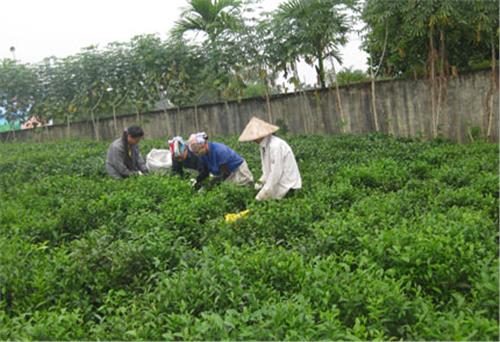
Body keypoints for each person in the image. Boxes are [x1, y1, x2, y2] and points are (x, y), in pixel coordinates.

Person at [238, 117, 301, 201]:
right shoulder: (264, 146)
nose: (253, 140)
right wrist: (259, 184)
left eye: (254, 137)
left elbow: (275, 173)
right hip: (278, 184)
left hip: (288, 186)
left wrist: (262, 194)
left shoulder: (275, 146)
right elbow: (267, 170)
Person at [187, 132, 254, 186]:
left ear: (204, 145)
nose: (197, 154)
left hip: (238, 172)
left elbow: (226, 173)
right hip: (226, 175)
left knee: (241, 191)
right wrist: (197, 181)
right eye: (195, 153)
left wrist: (212, 182)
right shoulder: (203, 154)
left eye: (198, 151)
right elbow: (205, 171)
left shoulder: (220, 151)